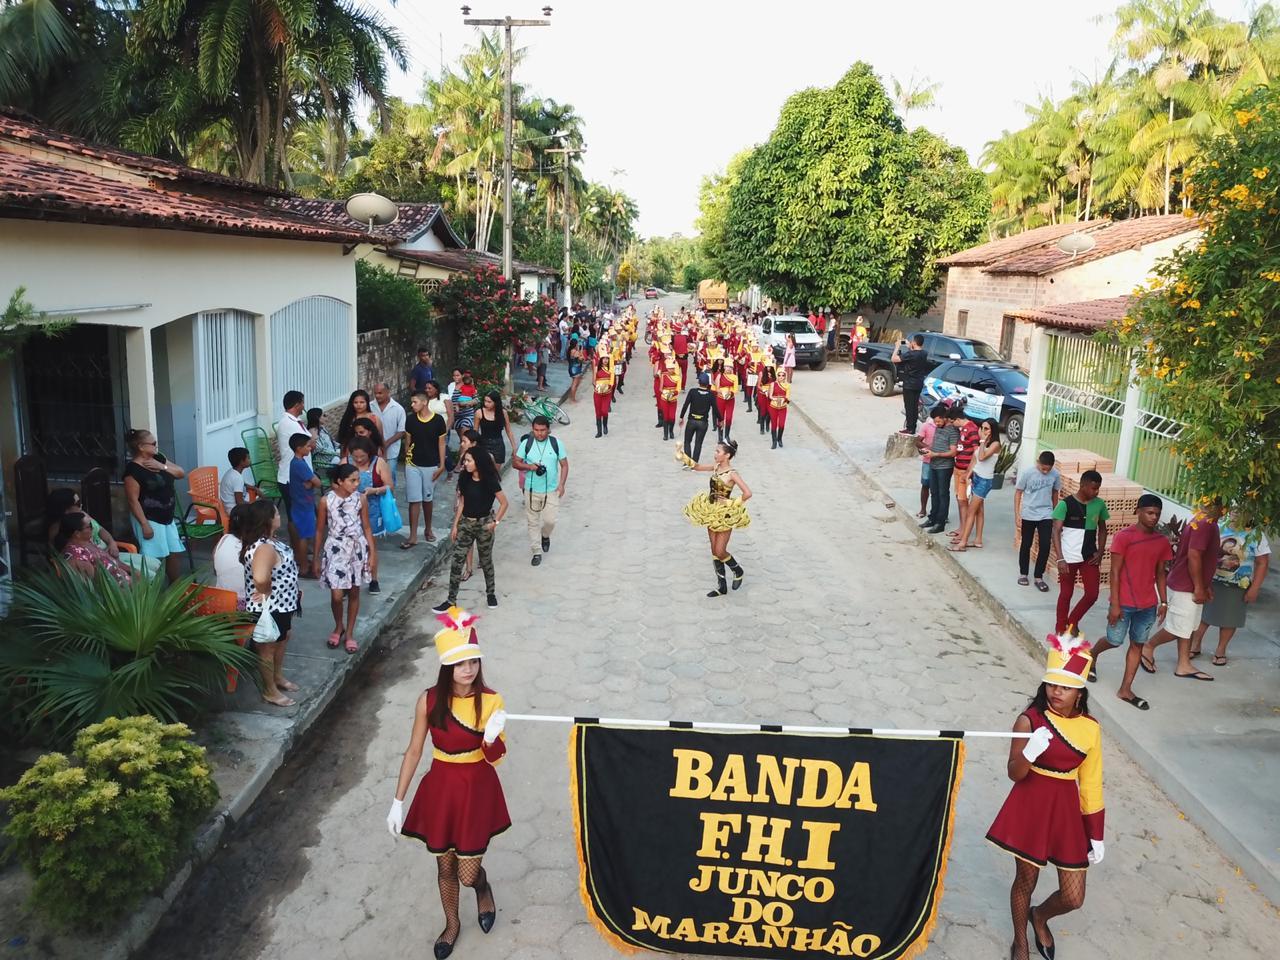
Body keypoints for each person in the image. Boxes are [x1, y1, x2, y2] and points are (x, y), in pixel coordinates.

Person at [387, 608, 508, 960]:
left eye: (472, 662)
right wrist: (398, 801)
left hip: (476, 788)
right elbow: (413, 752)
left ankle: (482, 888)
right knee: (445, 866)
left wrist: (492, 736)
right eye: (459, 664)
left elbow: (496, 757)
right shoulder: (429, 700)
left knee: (467, 873)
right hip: (441, 787)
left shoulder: (492, 700)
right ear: (446, 666)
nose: (467, 670)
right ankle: (452, 924)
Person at [986, 631, 1104, 960]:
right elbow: (1015, 773)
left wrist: (1096, 832)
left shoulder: (1091, 728)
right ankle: (1020, 942)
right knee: (1026, 879)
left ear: (1079, 692)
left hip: (1066, 809)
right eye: (1052, 685)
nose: (1056, 692)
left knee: (1073, 896)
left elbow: (1091, 782)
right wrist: (1030, 753)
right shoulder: (1030, 720)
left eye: (1065, 687)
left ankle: (1039, 915)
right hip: (1031, 804)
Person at [1088, 493, 1170, 710]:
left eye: (1157, 514)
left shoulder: (1161, 541)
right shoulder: (1124, 537)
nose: (1154, 517)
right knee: (1114, 640)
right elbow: (1114, 572)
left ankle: (1125, 689)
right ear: (1138, 511)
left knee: (1137, 644)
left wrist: (1164, 602)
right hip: (1123, 602)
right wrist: (1114, 604)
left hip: (1148, 605)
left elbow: (1161, 573)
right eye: (1150, 513)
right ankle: (1092, 654)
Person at [1140, 501, 1223, 681]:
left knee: (1188, 628)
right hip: (1186, 586)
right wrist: (1199, 587)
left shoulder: (1203, 520)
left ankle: (1183, 664)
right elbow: (1194, 555)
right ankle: (1148, 646)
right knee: (1177, 628)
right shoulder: (1204, 524)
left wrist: (1205, 584)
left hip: (1190, 584)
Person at [1190, 513, 1271, 667]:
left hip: (1238, 585)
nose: (1236, 513)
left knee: (1230, 619)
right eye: (1234, 509)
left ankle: (1220, 650)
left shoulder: (1256, 534)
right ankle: (1195, 645)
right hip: (1211, 581)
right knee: (1203, 616)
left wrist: (1255, 588)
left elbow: (1262, 562)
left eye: (1241, 510)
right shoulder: (1218, 527)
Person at [241, 500, 301, 707]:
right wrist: (265, 591)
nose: (279, 515)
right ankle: (269, 690)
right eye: (276, 513)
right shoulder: (264, 547)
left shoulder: (269, 541)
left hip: (283, 604)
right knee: (267, 648)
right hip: (270, 608)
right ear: (267, 520)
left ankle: (277, 676)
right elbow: (260, 577)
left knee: (283, 638)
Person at [432, 449, 508, 611]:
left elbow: (504, 503)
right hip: (466, 524)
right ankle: (451, 600)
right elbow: (462, 503)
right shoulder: (465, 478)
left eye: (468, 461)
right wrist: (455, 525)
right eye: (465, 460)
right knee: (456, 561)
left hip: (484, 524)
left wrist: (495, 522)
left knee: (486, 560)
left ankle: (490, 593)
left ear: (478, 462)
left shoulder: (490, 481)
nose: (465, 464)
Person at [678, 440, 752, 597]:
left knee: (720, 550)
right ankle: (721, 586)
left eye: (718, 452)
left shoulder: (732, 474)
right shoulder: (716, 467)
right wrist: (682, 456)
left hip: (725, 514)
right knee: (714, 550)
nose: (715, 454)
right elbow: (697, 467)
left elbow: (748, 493)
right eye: (716, 451)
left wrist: (731, 502)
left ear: (727, 455)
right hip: (711, 511)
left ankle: (738, 570)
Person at [313, 463, 373, 654]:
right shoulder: (326, 501)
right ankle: (339, 625)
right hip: (335, 549)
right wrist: (315, 558)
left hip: (356, 549)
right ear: (339, 481)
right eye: (352, 480)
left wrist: (372, 553)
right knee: (337, 595)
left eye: (358, 480)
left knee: (354, 592)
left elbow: (367, 527)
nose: (356, 484)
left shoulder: (360, 499)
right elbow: (320, 530)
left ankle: (349, 633)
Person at [122, 428, 187, 583]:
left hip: (167, 517)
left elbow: (180, 473)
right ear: (141, 447)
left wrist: (162, 466)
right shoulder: (133, 471)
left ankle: (174, 588)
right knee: (155, 557)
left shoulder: (159, 458)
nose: (156, 446)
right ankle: (153, 591)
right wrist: (144, 524)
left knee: (174, 552)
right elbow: (133, 500)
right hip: (149, 518)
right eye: (153, 443)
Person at [1051, 470, 1110, 635]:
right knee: (1066, 593)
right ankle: (1060, 628)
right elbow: (1056, 531)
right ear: (1082, 485)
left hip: (1089, 557)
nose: (1096, 492)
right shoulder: (1065, 504)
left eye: (1098, 488)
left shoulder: (1099, 504)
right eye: (1093, 488)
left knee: (1092, 594)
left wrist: (1100, 551)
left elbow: (1103, 530)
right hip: (1068, 558)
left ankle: (1072, 621)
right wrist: (1060, 559)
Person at [511, 415, 568, 568]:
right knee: (532, 521)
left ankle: (545, 535)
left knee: (550, 521)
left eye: (543, 430)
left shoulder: (556, 444)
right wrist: (530, 467)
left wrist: (561, 485)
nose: (540, 433)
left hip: (551, 490)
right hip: (531, 490)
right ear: (532, 430)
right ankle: (536, 551)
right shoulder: (526, 444)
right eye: (536, 430)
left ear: (548, 430)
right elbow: (515, 463)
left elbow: (564, 465)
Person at [402, 390, 448, 549]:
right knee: (414, 499)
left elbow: (441, 444)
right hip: (412, 464)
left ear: (424, 402)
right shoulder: (410, 420)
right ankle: (413, 535)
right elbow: (407, 442)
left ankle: (428, 528)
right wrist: (407, 457)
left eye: (415, 402)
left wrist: (442, 465)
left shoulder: (438, 421)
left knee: (427, 499)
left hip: (431, 464)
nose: (412, 405)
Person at [348, 436, 391, 593]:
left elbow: (390, 486)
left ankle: (374, 579)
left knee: (370, 545)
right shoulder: (345, 462)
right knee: (350, 546)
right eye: (355, 457)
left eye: (362, 457)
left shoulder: (378, 463)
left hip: (372, 510)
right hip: (350, 510)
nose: (358, 460)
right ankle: (351, 579)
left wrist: (375, 490)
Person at [950, 419, 1000, 551]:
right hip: (976, 477)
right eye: (982, 428)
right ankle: (978, 540)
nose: (983, 431)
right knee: (979, 510)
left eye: (987, 429)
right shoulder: (984, 442)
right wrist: (967, 475)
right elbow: (975, 459)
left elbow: (982, 457)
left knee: (971, 511)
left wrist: (982, 440)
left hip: (984, 481)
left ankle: (963, 542)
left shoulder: (995, 444)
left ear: (993, 430)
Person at [1015, 451, 1061, 591]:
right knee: (1026, 544)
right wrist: (1017, 514)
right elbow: (1018, 492)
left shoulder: (1055, 474)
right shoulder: (1028, 473)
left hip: (1046, 514)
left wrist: (1055, 513)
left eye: (1048, 469)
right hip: (1029, 513)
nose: (1046, 471)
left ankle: (1038, 577)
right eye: (1043, 468)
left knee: (1045, 545)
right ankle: (1023, 573)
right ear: (1038, 463)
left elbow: (1055, 493)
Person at [54, 512, 136, 586]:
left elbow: (114, 562)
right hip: (120, 595)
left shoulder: (87, 542)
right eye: (89, 526)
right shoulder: (76, 555)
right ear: (77, 534)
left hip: (129, 584)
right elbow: (94, 586)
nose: (92, 528)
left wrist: (133, 571)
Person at [277, 391, 311, 549]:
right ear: (297, 404)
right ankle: (297, 547)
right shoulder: (288, 423)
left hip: (298, 475)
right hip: (291, 477)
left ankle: (300, 545)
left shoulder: (295, 421)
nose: (304, 406)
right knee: (295, 515)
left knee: (300, 513)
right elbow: (309, 443)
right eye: (302, 403)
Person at [920, 405, 959, 535]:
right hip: (933, 464)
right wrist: (928, 451)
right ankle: (932, 518)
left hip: (945, 467)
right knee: (934, 492)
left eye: (938, 421)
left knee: (943, 494)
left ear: (945, 418)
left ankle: (940, 522)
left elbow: (953, 452)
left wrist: (936, 454)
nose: (936, 424)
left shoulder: (952, 430)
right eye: (935, 421)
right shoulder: (938, 428)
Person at [287, 433, 321, 574]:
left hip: (301, 503)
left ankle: (304, 564)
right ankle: (304, 568)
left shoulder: (296, 463)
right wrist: (312, 483)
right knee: (304, 536)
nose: (310, 448)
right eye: (307, 446)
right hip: (303, 505)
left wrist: (311, 483)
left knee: (304, 535)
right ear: (299, 448)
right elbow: (318, 482)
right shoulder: (299, 464)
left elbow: (312, 482)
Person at [948, 408, 980, 540]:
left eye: (952, 422)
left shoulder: (971, 429)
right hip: (958, 468)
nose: (952, 425)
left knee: (963, 501)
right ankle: (961, 527)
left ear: (957, 420)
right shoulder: (962, 429)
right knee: (959, 499)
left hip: (965, 471)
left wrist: (969, 472)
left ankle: (964, 531)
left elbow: (976, 451)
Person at [891, 334, 930, 434]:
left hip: (909, 384)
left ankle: (909, 428)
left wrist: (897, 347)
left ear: (914, 342)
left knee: (909, 406)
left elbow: (894, 359)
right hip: (918, 383)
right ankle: (913, 426)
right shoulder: (924, 353)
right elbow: (916, 354)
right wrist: (910, 347)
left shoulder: (911, 355)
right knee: (914, 406)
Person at [679, 371, 719, 463]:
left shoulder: (693, 392)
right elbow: (715, 409)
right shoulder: (711, 394)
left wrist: (681, 417)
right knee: (698, 443)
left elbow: (685, 405)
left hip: (692, 420)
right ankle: (694, 463)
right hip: (703, 422)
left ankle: (687, 462)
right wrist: (720, 420)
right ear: (708, 384)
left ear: (699, 382)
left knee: (687, 441)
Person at [214, 503, 250, 602]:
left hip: (220, 600)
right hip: (241, 604)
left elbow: (215, 569)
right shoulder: (252, 547)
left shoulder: (224, 539)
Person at [337, 389, 383, 459]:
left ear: (367, 403)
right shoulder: (348, 418)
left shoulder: (375, 418)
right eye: (356, 402)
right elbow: (343, 439)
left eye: (362, 402)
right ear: (352, 403)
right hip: (350, 454)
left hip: (370, 454)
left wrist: (383, 455)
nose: (359, 405)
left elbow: (380, 438)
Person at [374, 383, 407, 470]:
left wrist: (386, 443)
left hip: (391, 452)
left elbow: (401, 431)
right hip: (372, 450)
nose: (377, 396)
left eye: (380, 393)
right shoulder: (370, 406)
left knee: (390, 477)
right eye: (375, 393)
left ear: (388, 392)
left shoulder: (398, 409)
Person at [220, 447, 258, 515]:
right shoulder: (237, 478)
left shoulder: (232, 472)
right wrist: (255, 505)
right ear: (241, 462)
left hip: (227, 506)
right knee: (262, 511)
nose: (250, 460)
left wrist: (255, 488)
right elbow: (240, 502)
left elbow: (243, 484)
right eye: (248, 458)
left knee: (255, 497)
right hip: (234, 511)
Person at [914, 414, 937, 519]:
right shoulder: (927, 425)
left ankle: (937, 512)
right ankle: (923, 509)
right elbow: (918, 441)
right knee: (925, 485)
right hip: (928, 461)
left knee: (938, 488)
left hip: (941, 462)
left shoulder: (947, 426)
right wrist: (928, 448)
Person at [711, 358, 738, 443]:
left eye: (730, 367)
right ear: (724, 367)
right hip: (720, 399)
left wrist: (730, 394)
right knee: (721, 418)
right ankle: (720, 436)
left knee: (729, 418)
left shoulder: (734, 377)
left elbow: (736, 389)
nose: (728, 369)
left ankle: (727, 436)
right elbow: (716, 388)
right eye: (727, 367)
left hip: (730, 400)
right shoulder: (719, 375)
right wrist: (722, 393)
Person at [765, 366, 791, 450]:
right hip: (773, 407)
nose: (781, 377)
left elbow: (788, 397)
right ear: (777, 375)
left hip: (783, 407)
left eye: (783, 375)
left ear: (785, 376)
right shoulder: (773, 384)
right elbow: (770, 396)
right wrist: (775, 399)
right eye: (779, 375)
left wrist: (784, 399)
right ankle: (774, 441)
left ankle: (779, 439)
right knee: (774, 424)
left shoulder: (787, 385)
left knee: (782, 425)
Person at [592, 354, 616, 438]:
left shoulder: (611, 369)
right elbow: (593, 381)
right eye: (604, 359)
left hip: (607, 393)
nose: (605, 360)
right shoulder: (596, 368)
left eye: (607, 359)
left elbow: (612, 382)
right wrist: (597, 387)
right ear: (601, 359)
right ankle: (599, 431)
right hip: (597, 393)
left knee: (604, 411)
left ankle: (605, 425)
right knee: (598, 412)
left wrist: (607, 387)